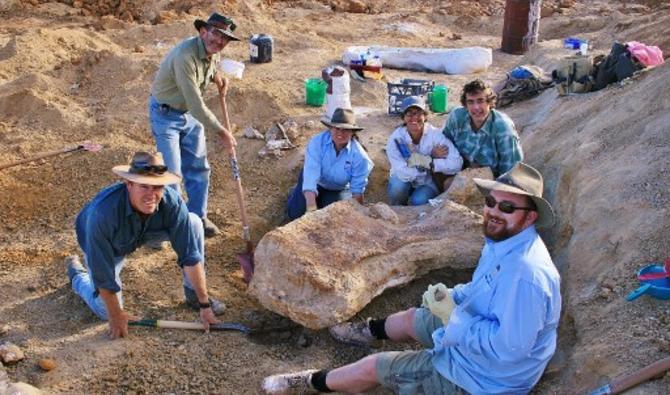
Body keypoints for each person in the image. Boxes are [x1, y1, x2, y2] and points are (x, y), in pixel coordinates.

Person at [262, 162, 561, 395]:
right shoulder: (505, 241)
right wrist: (452, 295)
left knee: (375, 368)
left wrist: (453, 318)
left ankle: (312, 382)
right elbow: (483, 290)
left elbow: (508, 349)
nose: (494, 211)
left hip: (483, 379)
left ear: (530, 216)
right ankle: (364, 333)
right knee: (411, 318)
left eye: (507, 207)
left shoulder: (526, 275)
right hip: (476, 342)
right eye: (491, 202)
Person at [65, 151, 226, 339]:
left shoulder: (171, 202)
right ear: (129, 184)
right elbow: (103, 274)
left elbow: (189, 255)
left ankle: (192, 294)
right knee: (104, 310)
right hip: (111, 245)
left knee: (193, 222)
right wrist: (116, 314)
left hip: (148, 231)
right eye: (144, 187)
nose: (152, 195)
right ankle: (77, 276)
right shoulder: (102, 216)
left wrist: (204, 304)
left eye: (157, 187)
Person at [149, 12, 240, 237]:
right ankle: (169, 226)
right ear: (202, 32)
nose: (219, 42)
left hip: (189, 115)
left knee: (199, 168)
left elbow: (209, 68)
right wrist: (222, 132)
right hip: (166, 115)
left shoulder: (213, 52)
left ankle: (198, 217)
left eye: (224, 39)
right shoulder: (184, 56)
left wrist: (217, 77)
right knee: (172, 175)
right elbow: (196, 104)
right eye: (216, 34)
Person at [286, 108, 374, 220]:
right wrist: (311, 209)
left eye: (345, 130)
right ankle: (296, 193)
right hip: (316, 182)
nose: (340, 133)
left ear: (352, 133)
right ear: (330, 128)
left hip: (338, 189)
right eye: (337, 128)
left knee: (334, 217)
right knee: (296, 214)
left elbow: (357, 189)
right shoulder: (317, 142)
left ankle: (319, 199)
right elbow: (311, 175)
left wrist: (360, 216)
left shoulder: (360, 156)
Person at [386, 96, 463, 206]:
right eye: (409, 114)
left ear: (425, 116)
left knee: (419, 201)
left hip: (426, 182)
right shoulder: (396, 139)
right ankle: (398, 209)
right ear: (403, 118)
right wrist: (429, 158)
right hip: (403, 179)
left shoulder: (435, 135)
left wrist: (428, 163)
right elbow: (402, 171)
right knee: (397, 188)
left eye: (418, 113)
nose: (414, 117)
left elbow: (457, 163)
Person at [442, 79, 523, 180]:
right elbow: (444, 143)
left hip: (491, 182)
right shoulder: (457, 117)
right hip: (459, 172)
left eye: (480, 101)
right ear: (465, 105)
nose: (476, 107)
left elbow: (511, 171)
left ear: (490, 102)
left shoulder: (503, 128)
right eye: (471, 102)